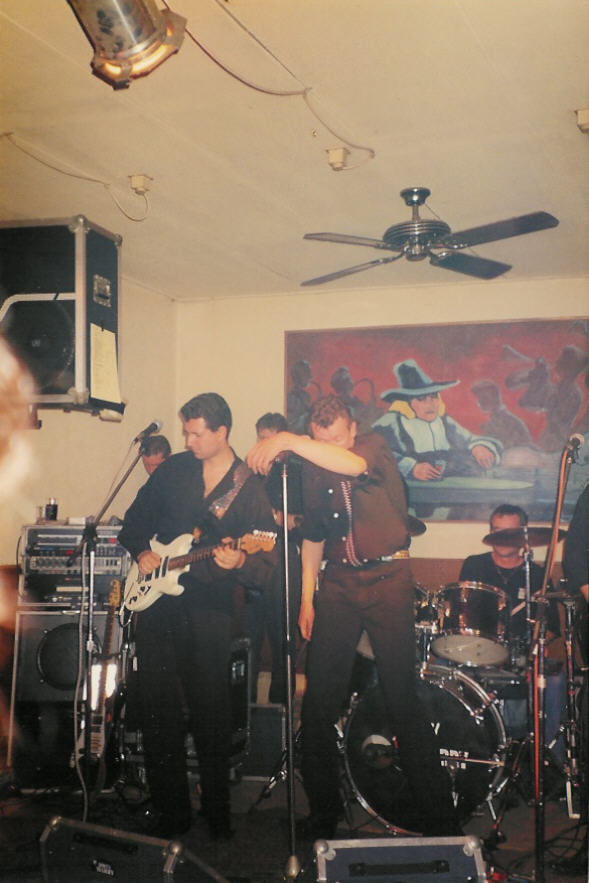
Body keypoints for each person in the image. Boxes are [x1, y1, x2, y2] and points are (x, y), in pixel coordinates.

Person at [247, 394, 460, 839]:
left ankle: (441, 822)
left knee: (402, 699)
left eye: (339, 438)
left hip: (388, 578)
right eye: (322, 440)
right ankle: (324, 814)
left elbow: (351, 464)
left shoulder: (373, 445)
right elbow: (313, 537)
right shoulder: (312, 467)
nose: (332, 447)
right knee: (318, 703)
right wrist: (308, 598)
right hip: (339, 583)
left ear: (352, 429)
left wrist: (290, 440)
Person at [118, 393, 277, 840]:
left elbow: (266, 561)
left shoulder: (249, 486)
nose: (188, 440)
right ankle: (171, 813)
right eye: (186, 432)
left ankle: (217, 815)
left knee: (212, 713)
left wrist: (239, 561)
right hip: (158, 606)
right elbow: (134, 521)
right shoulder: (174, 470)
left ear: (222, 432)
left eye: (196, 433)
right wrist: (142, 551)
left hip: (210, 609)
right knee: (158, 712)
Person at [458, 504, 565, 754]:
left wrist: (536, 648)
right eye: (497, 531)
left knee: (556, 680)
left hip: (522, 655)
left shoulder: (537, 574)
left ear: (524, 535)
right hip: (479, 652)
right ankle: (465, 753)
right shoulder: (474, 565)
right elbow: (462, 616)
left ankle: (550, 760)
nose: (502, 538)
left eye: (510, 532)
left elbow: (551, 627)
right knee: (444, 665)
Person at [243, 412, 303, 703]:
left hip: (283, 562)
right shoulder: (249, 475)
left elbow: (310, 521)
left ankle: (281, 712)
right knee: (248, 641)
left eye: (268, 439)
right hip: (252, 562)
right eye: (260, 438)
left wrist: (290, 518)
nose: (262, 445)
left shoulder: (297, 475)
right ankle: (246, 712)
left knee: (283, 641)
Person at [373, 358, 502, 480]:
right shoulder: (389, 424)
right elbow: (374, 454)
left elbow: (469, 439)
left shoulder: (444, 422)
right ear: (407, 402)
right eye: (421, 399)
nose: (430, 404)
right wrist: (411, 468)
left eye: (434, 397)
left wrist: (478, 447)